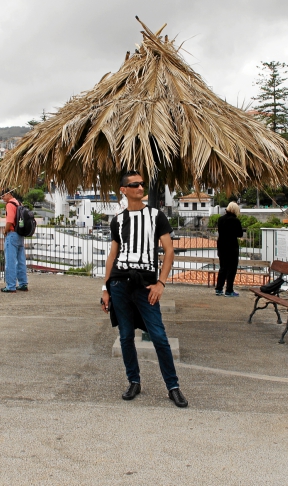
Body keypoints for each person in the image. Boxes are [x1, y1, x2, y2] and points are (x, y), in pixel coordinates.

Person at [101, 171, 187, 408]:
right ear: (124, 190)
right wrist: (105, 289)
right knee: (126, 336)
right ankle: (134, 381)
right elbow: (113, 256)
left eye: (142, 184)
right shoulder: (117, 220)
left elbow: (169, 251)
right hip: (119, 283)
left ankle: (173, 387)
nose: (140, 187)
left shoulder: (156, 216)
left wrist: (161, 283)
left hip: (146, 284)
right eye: (135, 184)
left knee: (159, 336)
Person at [0, 189, 28, 293]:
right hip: (20, 234)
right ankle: (23, 284)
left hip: (12, 234)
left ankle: (11, 286)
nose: (2, 198)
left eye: (3, 196)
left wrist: (5, 231)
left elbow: (10, 220)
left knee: (10, 261)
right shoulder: (19, 203)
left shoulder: (10, 204)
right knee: (21, 261)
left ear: (9, 194)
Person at [215, 201, 243, 297]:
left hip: (222, 246)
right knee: (231, 269)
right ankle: (229, 290)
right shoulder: (235, 221)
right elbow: (240, 234)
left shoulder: (220, 219)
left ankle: (219, 288)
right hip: (232, 247)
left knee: (223, 268)